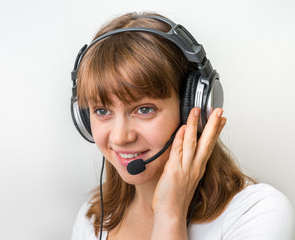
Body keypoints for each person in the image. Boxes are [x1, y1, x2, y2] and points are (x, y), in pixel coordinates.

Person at [70, 12, 294, 240]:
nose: (119, 137)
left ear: (193, 108)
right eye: (102, 111)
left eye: (144, 109)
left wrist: (169, 216)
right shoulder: (93, 221)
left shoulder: (257, 214)